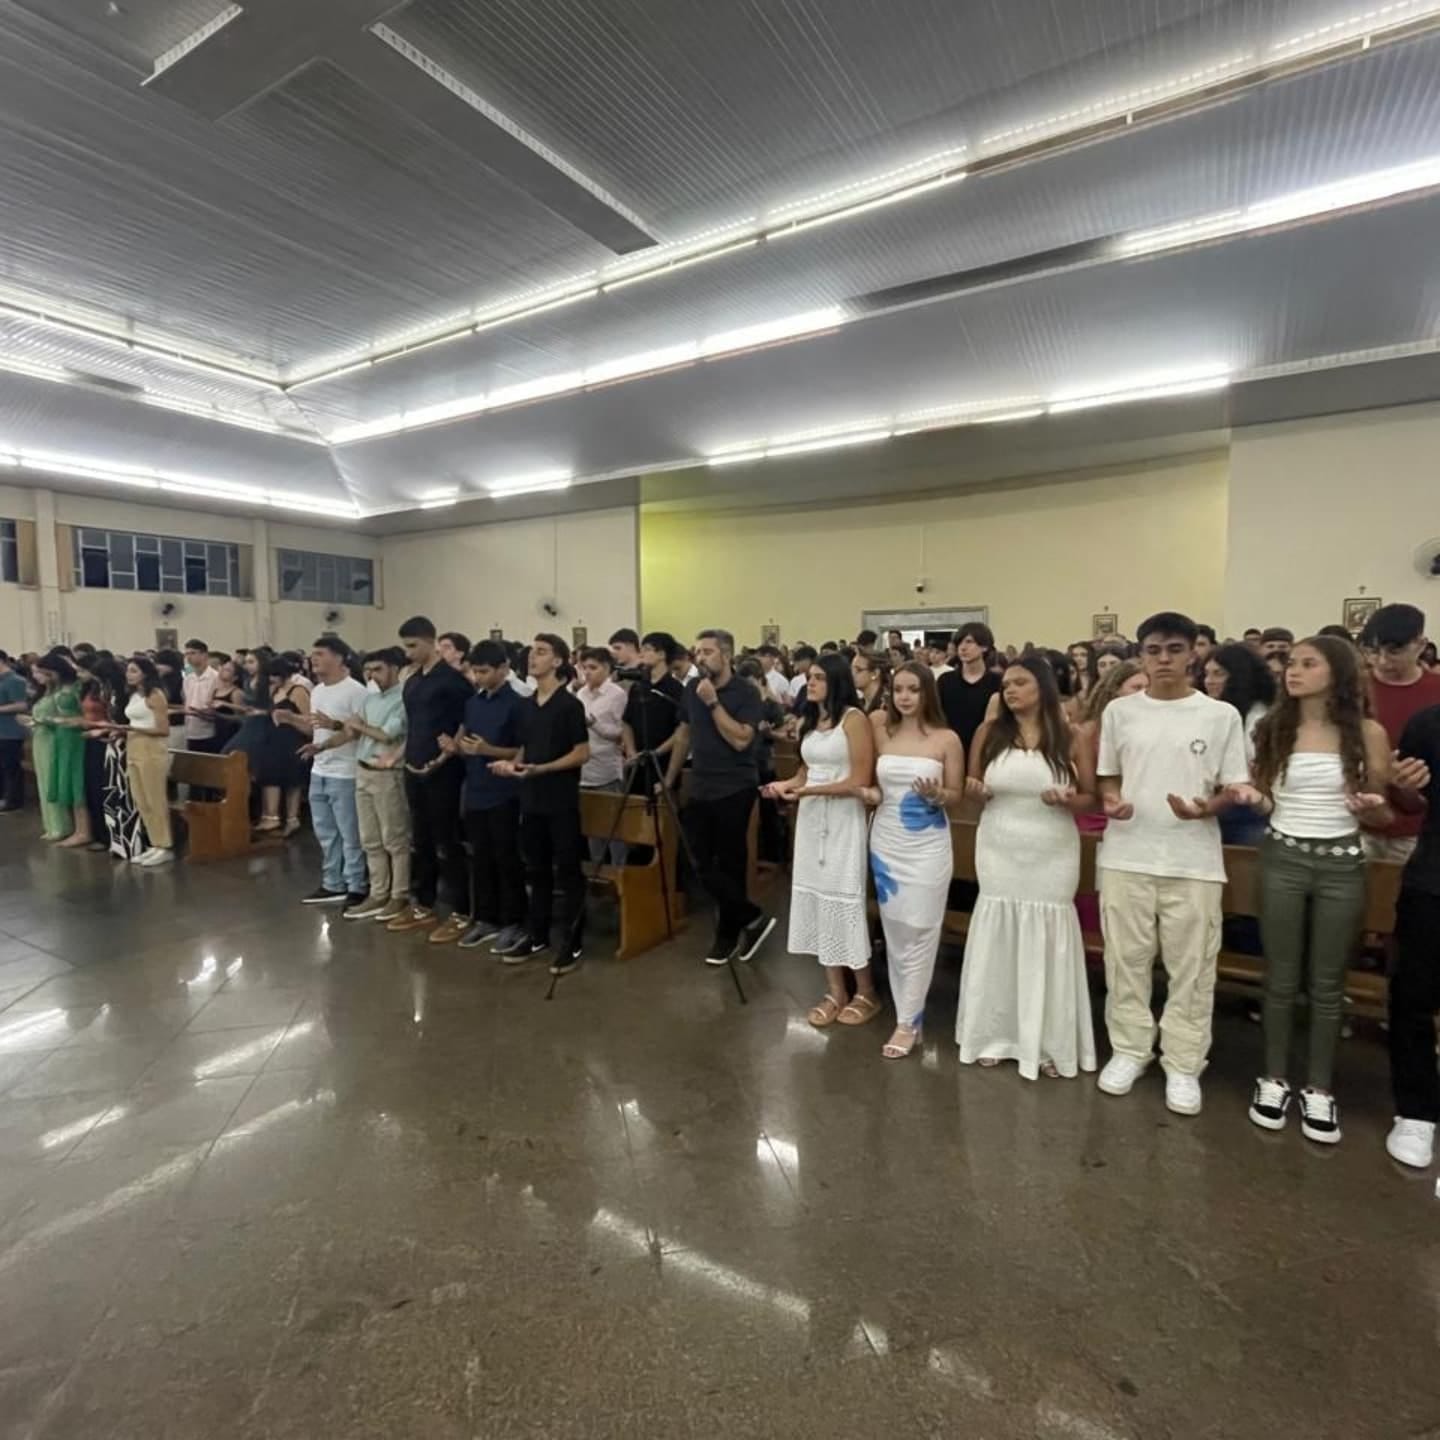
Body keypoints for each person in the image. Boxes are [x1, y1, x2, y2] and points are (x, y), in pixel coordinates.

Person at [1095, 612, 1249, 1115]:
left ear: (1192, 655)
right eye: (1154, 650)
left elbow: (1232, 785)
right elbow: (1108, 776)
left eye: (1175, 649)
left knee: (1192, 968)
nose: (1164, 659)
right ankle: (1129, 1049)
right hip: (1128, 852)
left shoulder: (1219, 716)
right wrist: (1112, 800)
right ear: (1141, 655)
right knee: (1125, 961)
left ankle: (1183, 1063)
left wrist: (1207, 807)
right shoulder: (1120, 712)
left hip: (1193, 858)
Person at [1245, 637, 1393, 1144]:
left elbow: (1383, 813)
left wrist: (1371, 805)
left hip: (1341, 861)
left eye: (1309, 664)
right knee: (1281, 978)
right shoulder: (1273, 728)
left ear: (1338, 674)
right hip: (1283, 856)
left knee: (1328, 983)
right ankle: (1273, 1079)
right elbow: (1268, 800)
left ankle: (1320, 1087)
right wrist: (1252, 798)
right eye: (1291, 663)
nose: (1294, 671)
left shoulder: (1367, 733)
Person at [957, 656, 1098, 1079]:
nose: (1010, 691)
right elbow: (972, 788)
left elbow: (1090, 797)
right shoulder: (988, 732)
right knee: (1000, 929)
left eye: (1020, 682)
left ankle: (1050, 1042)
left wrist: (1067, 800)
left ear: (1044, 686)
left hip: (1051, 848)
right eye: (1006, 685)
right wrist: (976, 790)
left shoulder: (1070, 735)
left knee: (1048, 934)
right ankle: (994, 1034)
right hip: (1000, 845)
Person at [763, 654, 877, 1027]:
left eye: (818, 678)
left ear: (837, 681)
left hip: (843, 819)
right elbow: (805, 772)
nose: (809, 683)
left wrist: (810, 791)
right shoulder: (813, 720)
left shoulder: (854, 719)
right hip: (813, 821)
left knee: (844, 900)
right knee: (818, 901)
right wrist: (785, 785)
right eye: (809, 677)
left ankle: (865, 992)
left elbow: (860, 779)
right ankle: (835, 991)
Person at [865, 662, 964, 1058]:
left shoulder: (946, 739)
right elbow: (873, 783)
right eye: (898, 689)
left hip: (928, 844)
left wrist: (938, 795)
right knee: (896, 929)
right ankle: (908, 1014)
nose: (905, 697)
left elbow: (956, 794)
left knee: (921, 926)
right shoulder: (882, 732)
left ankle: (908, 1020)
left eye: (913, 689)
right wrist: (869, 794)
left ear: (927, 693)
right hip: (887, 841)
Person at [676, 628, 776, 966]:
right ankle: (751, 916)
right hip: (701, 785)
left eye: (707, 652)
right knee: (698, 860)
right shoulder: (692, 688)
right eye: (698, 652)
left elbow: (741, 740)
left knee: (730, 862)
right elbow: (684, 733)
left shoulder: (746, 692)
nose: (700, 658)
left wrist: (713, 703)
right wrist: (671, 777)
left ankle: (727, 934)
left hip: (735, 786)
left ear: (727, 655)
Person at [490, 634, 589, 972]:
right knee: (537, 870)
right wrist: (512, 765)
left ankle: (573, 941)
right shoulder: (525, 706)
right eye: (532, 652)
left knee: (569, 872)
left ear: (558, 661)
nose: (533, 657)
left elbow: (581, 752)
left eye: (542, 652)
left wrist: (544, 768)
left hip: (560, 800)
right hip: (531, 799)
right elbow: (524, 749)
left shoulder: (569, 705)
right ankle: (538, 935)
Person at [389, 617, 473, 938]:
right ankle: (423, 903)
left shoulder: (453, 682)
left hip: (444, 771)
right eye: (405, 646)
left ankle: (462, 910)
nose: (408, 652)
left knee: (447, 840)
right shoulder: (412, 681)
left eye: (413, 646)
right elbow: (415, 727)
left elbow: (465, 723)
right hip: (414, 767)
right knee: (420, 839)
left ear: (430, 642)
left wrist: (441, 759)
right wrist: (404, 758)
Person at [1384, 708, 1440, 1168]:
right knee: (1412, 998)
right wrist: (1403, 787)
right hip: (1432, 880)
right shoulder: (1428, 724)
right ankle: (1416, 1111)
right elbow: (1410, 804)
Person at [453, 641, 526, 952]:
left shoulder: (518, 704)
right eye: (475, 672)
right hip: (476, 789)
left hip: (505, 793)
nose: (478, 677)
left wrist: (487, 750)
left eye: (484, 671)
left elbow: (522, 750)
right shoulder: (473, 703)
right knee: (480, 859)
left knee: (506, 859)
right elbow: (466, 740)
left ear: (503, 669)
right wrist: (457, 747)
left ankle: (514, 922)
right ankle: (486, 918)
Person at [290, 637, 368, 907]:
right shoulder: (318, 691)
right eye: (313, 654)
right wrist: (290, 719)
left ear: (339, 657)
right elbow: (315, 728)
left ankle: (356, 884)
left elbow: (360, 732)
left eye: (321, 653)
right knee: (325, 832)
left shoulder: (356, 691)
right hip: (319, 768)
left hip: (346, 771)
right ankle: (333, 882)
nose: (314, 658)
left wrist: (333, 727)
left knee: (350, 833)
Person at [1359, 604, 1440, 863]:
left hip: (1420, 829)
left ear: (1420, 645)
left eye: (1394, 651)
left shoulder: (1436, 691)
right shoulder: (1353, 688)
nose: (1383, 661)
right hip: (1358, 822)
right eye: (1373, 651)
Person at [342, 647, 411, 922]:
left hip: (387, 773)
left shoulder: (404, 698)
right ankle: (378, 893)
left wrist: (359, 726)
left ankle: (399, 895)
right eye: (368, 670)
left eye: (378, 669)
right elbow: (351, 729)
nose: (372, 676)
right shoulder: (370, 699)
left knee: (394, 838)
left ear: (394, 668)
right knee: (370, 839)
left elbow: (386, 735)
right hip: (363, 770)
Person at [1203, 643, 1277, 845]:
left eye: (1218, 674)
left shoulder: (1261, 717)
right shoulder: (1210, 714)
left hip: (1248, 811)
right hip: (1212, 804)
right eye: (1206, 673)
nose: (1209, 681)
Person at [574, 647, 628, 864]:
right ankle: (597, 872)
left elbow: (620, 733)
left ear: (606, 668)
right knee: (592, 828)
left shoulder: (617, 695)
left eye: (593, 668)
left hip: (607, 771)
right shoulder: (581, 694)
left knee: (615, 829)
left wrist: (593, 724)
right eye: (584, 668)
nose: (587, 672)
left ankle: (619, 871)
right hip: (585, 769)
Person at [122, 655, 174, 866]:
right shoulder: (135, 695)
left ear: (145, 673)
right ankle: (154, 843)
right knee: (141, 800)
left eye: (134, 671)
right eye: (128, 670)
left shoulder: (155, 695)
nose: (129, 674)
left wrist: (133, 728)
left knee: (155, 800)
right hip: (134, 748)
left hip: (152, 750)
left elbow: (163, 729)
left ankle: (165, 845)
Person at [28, 652, 85, 844]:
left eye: (43, 673)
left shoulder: (70, 689)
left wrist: (47, 720)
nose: (39, 677)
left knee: (58, 780)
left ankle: (63, 825)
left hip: (58, 737)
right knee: (46, 781)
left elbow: (75, 715)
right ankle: (51, 825)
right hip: (44, 736)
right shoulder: (49, 691)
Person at [621, 632, 688, 791]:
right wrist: (631, 750)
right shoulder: (638, 686)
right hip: (637, 763)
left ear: (662, 654)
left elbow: (681, 730)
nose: (641, 654)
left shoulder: (676, 689)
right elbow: (626, 721)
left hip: (663, 762)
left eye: (647, 649)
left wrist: (656, 752)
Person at [254, 655, 310, 836]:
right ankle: (271, 817)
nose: (272, 679)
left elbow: (309, 720)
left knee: (292, 780)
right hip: (273, 739)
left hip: (292, 739)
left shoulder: (298, 691)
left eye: (276, 675)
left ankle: (293, 819)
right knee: (270, 776)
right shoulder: (275, 690)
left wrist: (290, 718)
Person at [937, 622, 1001, 757]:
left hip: (986, 750)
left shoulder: (997, 682)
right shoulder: (945, 681)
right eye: (959, 643)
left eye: (969, 642)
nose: (963, 648)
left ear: (984, 646)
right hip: (950, 749)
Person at [181, 638, 221, 757]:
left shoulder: (215, 677)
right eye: (187, 654)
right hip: (190, 730)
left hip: (209, 731)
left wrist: (199, 711)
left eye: (193, 653)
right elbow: (187, 701)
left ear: (204, 655)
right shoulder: (188, 679)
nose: (189, 657)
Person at [0, 650, 29, 812]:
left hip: (10, 731)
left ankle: (13, 800)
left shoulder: (15, 680)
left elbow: (22, 705)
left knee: (10, 767)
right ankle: (3, 797)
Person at [851, 648, 890, 716]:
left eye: (858, 670)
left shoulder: (885, 705)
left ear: (875, 673)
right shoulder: (859, 702)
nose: (852, 674)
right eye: (851, 669)